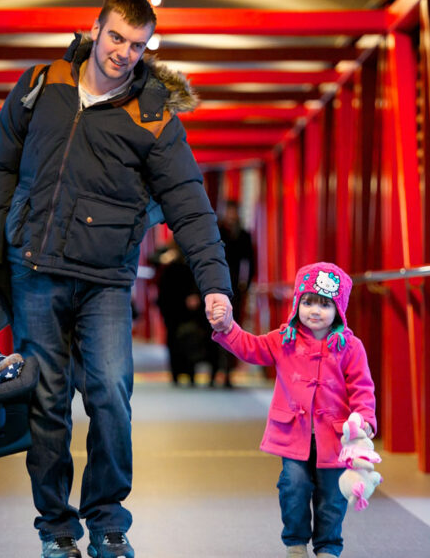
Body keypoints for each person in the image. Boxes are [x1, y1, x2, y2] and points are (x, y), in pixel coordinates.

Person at [0, 0, 232, 558]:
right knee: (47, 402)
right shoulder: (42, 84)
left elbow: (189, 205)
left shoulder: (153, 114)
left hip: (107, 280)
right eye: (116, 38)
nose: (124, 53)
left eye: (137, 45)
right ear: (95, 29)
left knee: (110, 394)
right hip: (34, 270)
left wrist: (215, 286)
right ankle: (57, 530)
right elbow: (0, 168)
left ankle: (109, 523)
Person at [209, 262, 376, 558]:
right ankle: (296, 545)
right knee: (292, 488)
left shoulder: (350, 347)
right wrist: (227, 328)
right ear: (297, 303)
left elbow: (362, 388)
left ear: (339, 309)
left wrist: (363, 419)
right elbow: (250, 348)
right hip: (293, 435)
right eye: (308, 302)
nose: (314, 311)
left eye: (325, 304)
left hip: (335, 439)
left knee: (332, 497)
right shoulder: (283, 340)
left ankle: (328, 548)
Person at [154, 240, 215, 386]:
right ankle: (179, 373)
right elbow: (152, 259)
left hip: (184, 304)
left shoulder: (196, 254)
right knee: (177, 339)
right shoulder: (168, 254)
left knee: (189, 337)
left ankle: (187, 372)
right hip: (173, 304)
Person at [211, 200, 256, 387]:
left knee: (232, 329)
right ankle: (214, 372)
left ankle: (228, 373)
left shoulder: (243, 235)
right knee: (213, 327)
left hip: (235, 288)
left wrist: (247, 284)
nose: (231, 215)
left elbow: (251, 262)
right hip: (216, 286)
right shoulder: (217, 232)